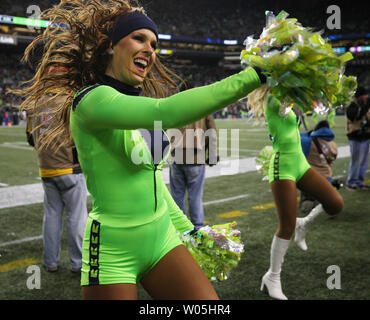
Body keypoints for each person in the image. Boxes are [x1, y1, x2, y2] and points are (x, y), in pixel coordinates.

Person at [14, 0, 263, 300]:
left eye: (154, 44)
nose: (150, 49)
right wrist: (255, 75)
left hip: (163, 239)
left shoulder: (137, 102)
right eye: (139, 38)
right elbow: (166, 111)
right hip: (112, 249)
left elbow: (152, 180)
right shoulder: (91, 101)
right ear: (111, 46)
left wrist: (189, 230)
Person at [247, 86, 344, 300]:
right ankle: (272, 277)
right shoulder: (274, 99)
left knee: (335, 203)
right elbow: (288, 103)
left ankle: (305, 223)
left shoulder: (284, 97)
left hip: (300, 163)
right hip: (283, 167)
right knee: (286, 227)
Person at [26, 92, 88, 273]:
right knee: (77, 216)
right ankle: (78, 263)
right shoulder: (70, 100)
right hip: (69, 167)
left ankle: (50, 262)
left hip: (46, 167)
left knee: (51, 216)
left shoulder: (35, 100)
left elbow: (30, 138)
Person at [167, 81, 219, 231]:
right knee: (195, 196)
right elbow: (212, 133)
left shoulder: (174, 106)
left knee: (177, 196)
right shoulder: (202, 107)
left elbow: (165, 130)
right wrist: (212, 155)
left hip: (176, 157)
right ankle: (197, 229)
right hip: (196, 157)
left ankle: (180, 229)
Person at [298, 120, 338, 214]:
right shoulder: (333, 145)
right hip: (326, 178)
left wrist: (309, 133)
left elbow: (297, 136)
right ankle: (321, 200)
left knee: (306, 195)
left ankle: (309, 201)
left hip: (309, 177)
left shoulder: (307, 141)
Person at [345, 87, 370, 190]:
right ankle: (351, 182)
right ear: (360, 96)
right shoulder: (352, 106)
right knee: (356, 161)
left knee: (364, 161)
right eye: (365, 95)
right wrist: (366, 106)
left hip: (366, 136)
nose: (367, 97)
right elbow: (355, 117)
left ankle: (359, 181)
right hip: (356, 137)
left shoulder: (365, 105)